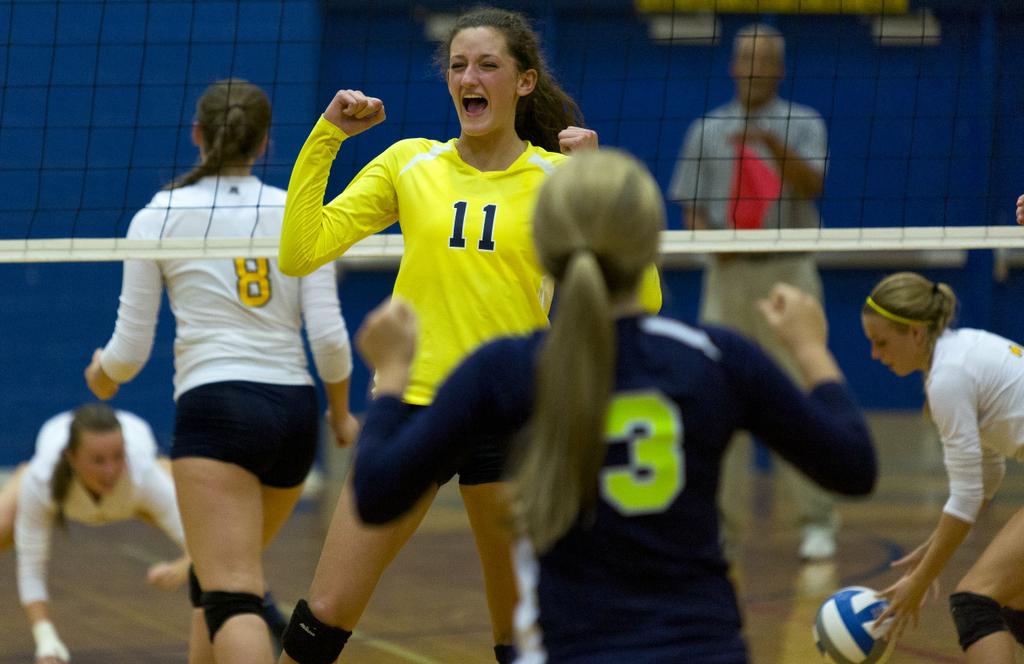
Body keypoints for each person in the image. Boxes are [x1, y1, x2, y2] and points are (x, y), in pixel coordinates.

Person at [340, 149, 877, 663]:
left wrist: (390, 375)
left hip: (579, 648)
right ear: (648, 248)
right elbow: (854, 466)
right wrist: (809, 349)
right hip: (701, 647)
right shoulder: (714, 357)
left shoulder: (506, 369)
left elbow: (377, 493)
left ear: (544, 244)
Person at [276, 7, 660, 664]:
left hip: (514, 414)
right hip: (415, 408)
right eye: (458, 65)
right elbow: (301, 250)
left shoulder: (558, 178)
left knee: (520, 630)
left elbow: (639, 300)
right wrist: (328, 137)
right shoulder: (410, 163)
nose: (468, 77)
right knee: (327, 611)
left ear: (525, 83)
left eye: (486, 64)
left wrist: (597, 189)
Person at [83, 78, 357, 664]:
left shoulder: (158, 216)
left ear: (197, 135)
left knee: (232, 590)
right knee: (216, 577)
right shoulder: (295, 210)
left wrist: (101, 379)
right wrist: (339, 416)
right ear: (264, 144)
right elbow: (330, 339)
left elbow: (129, 351)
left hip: (219, 410)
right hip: (293, 416)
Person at [668, 23, 837, 561]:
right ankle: (719, 523)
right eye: (746, 59)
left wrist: (770, 144)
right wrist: (711, 243)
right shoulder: (707, 128)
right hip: (728, 274)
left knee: (799, 392)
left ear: (780, 69)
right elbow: (689, 202)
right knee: (715, 393)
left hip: (787, 271)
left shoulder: (804, 123)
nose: (754, 68)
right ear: (733, 65)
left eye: (765, 60)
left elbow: (815, 185)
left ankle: (817, 520)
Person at [862, 272, 1024, 664]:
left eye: (881, 342)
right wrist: (935, 547)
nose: (874, 354)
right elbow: (989, 474)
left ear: (916, 333)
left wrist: (918, 582)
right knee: (1014, 602)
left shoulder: (948, 377)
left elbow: (967, 496)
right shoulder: (963, 349)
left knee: (975, 603)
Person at [0, 404, 187, 664]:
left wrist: (185, 564)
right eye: (98, 461)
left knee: (203, 521)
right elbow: (31, 565)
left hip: (143, 473)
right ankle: (19, 474)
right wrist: (46, 638)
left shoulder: (142, 474)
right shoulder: (42, 478)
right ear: (71, 458)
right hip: (47, 463)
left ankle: (165, 465)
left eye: (118, 457)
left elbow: (203, 544)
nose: (110, 470)